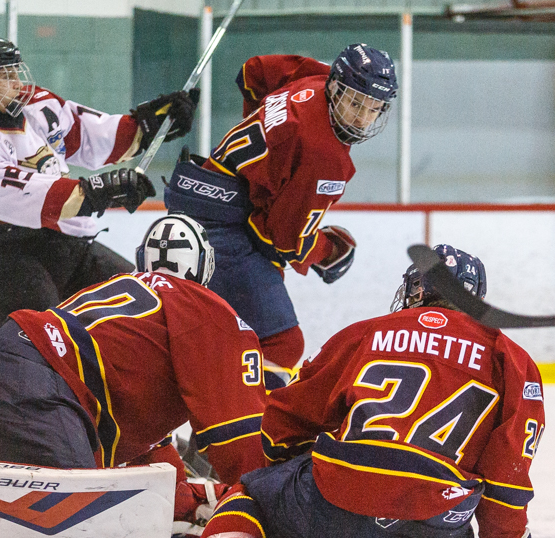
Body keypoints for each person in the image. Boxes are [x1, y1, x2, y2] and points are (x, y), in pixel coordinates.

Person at [126, 245, 546, 538]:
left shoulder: (365, 333)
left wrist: (286, 471)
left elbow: (285, 421)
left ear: (414, 291)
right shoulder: (512, 361)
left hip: (333, 500)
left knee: (252, 490)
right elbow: (506, 474)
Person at [0, 214, 267, 529]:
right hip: (44, 395)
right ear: (206, 265)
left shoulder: (124, 298)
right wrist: (264, 504)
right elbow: (240, 437)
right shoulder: (208, 312)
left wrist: (193, 500)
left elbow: (153, 457)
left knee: (8, 482)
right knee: (88, 520)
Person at [163, 44, 397, 389]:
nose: (361, 118)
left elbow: (253, 72)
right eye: (354, 102)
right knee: (282, 344)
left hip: (200, 191)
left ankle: (213, 430)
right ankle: (241, 437)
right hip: (221, 229)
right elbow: (286, 241)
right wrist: (329, 253)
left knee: (231, 334)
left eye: (373, 108)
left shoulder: (313, 77)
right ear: (335, 87)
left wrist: (269, 158)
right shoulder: (326, 156)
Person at [0, 36, 199, 331]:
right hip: (9, 255)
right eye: (7, 75)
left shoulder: (37, 104)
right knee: (39, 339)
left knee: (143, 311)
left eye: (16, 71)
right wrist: (94, 192)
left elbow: (87, 133)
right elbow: (28, 198)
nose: (17, 82)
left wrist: (148, 126)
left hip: (67, 243)